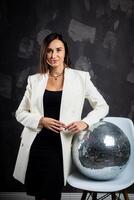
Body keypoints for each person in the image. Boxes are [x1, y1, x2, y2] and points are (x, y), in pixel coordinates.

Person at [13, 33, 109, 200]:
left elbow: (102, 106)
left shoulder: (81, 78)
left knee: (51, 193)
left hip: (61, 146)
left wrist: (84, 123)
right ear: (44, 53)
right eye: (49, 51)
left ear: (65, 52)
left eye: (58, 50)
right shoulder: (34, 80)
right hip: (36, 144)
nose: (53, 55)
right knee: (40, 194)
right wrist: (41, 120)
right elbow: (20, 113)